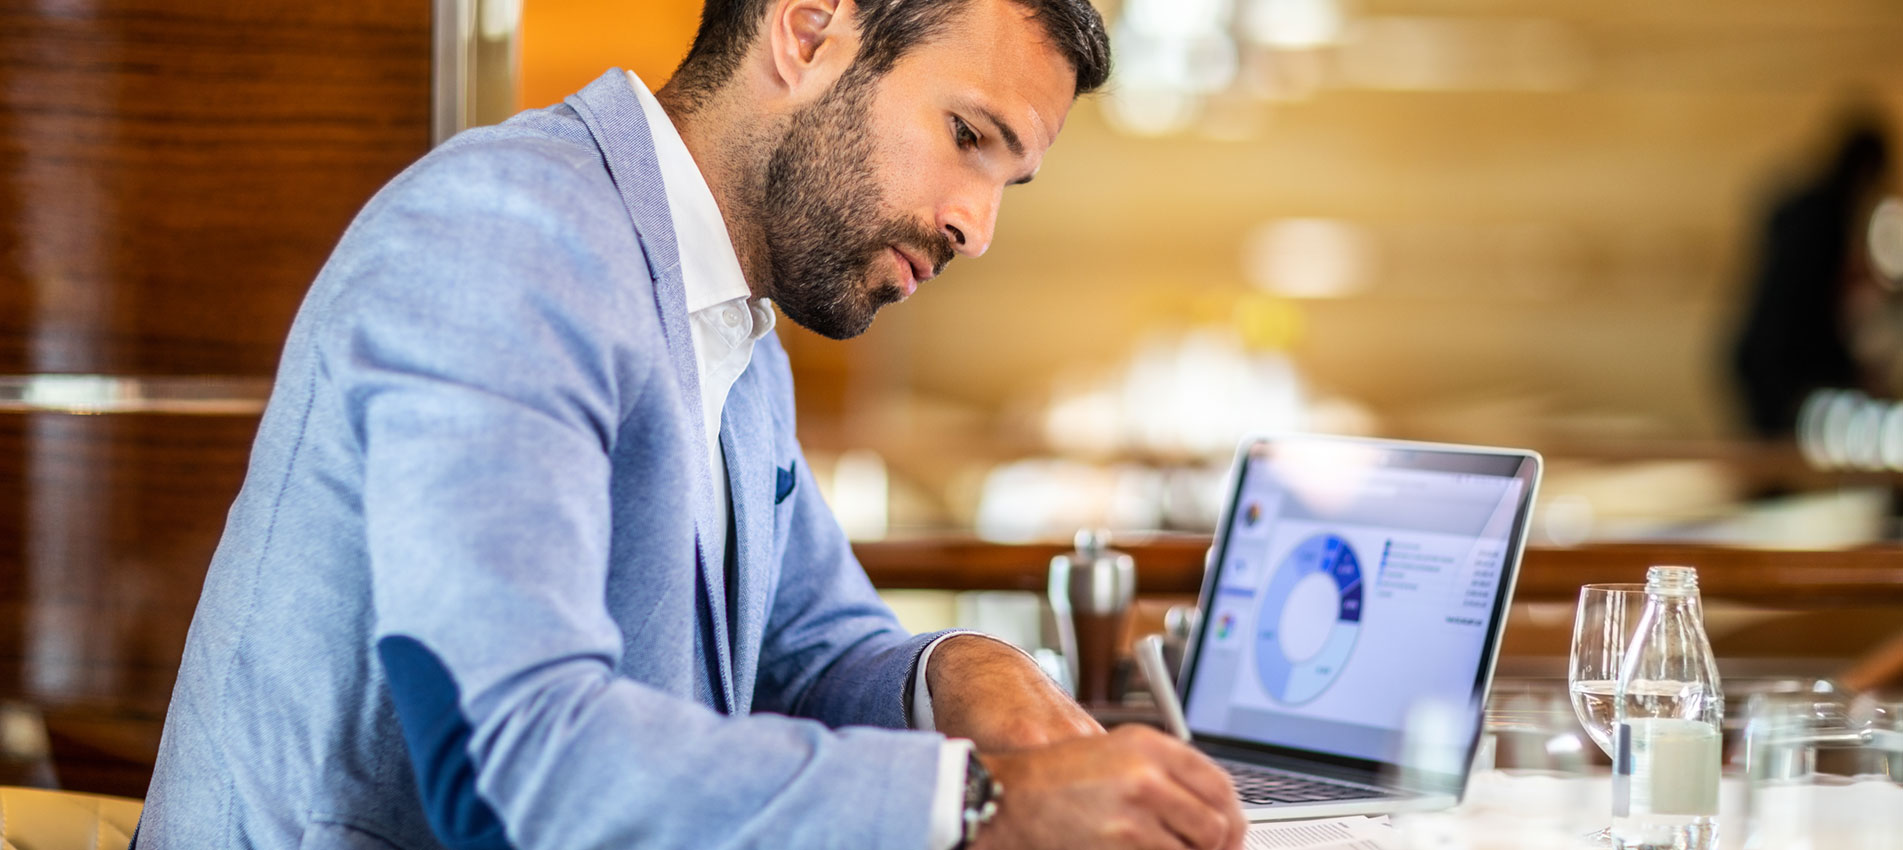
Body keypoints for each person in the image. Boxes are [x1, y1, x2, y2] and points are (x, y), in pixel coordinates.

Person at [136, 1, 1249, 849]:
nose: (978, 224)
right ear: (809, 30)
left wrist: (964, 672)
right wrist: (980, 803)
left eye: (1010, 178)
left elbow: (812, 648)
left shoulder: (735, 326)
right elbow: (506, 766)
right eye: (967, 135)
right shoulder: (504, 239)